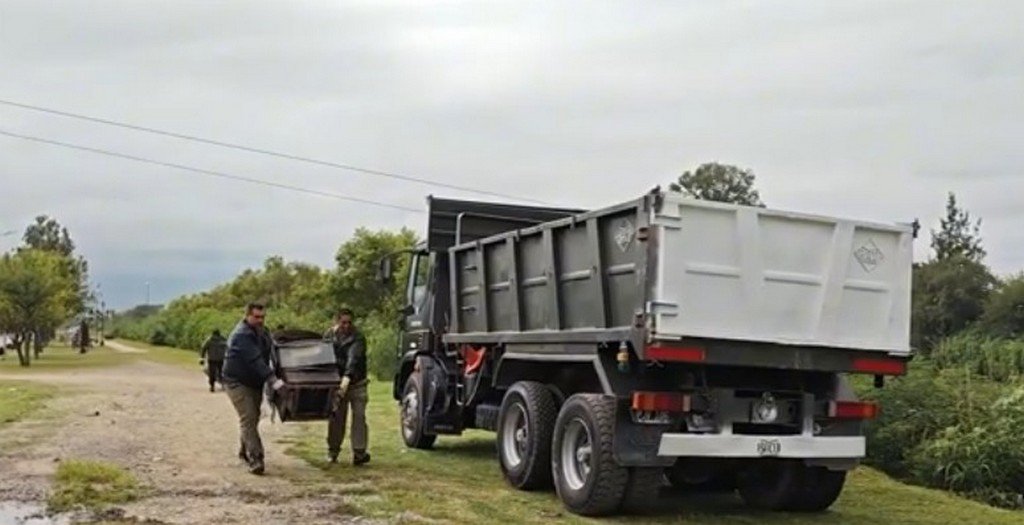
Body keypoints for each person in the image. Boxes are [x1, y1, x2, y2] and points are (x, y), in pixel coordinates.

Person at [222, 302, 285, 475]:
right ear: (247, 315)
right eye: (256, 317)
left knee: (253, 418)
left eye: (262, 317)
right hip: (236, 381)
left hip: (253, 381)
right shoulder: (241, 335)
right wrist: (275, 381)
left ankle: (244, 451)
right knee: (248, 418)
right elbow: (256, 361)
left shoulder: (263, 332)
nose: (260, 320)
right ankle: (256, 459)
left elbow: (272, 353)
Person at [324, 308, 370, 466]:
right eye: (343, 322)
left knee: (359, 416)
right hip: (337, 382)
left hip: (357, 382)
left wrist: (347, 377)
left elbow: (354, 357)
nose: (346, 326)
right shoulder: (329, 336)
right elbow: (324, 355)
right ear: (337, 322)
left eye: (349, 322)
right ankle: (333, 450)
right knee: (336, 418)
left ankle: (359, 452)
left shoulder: (358, 337)